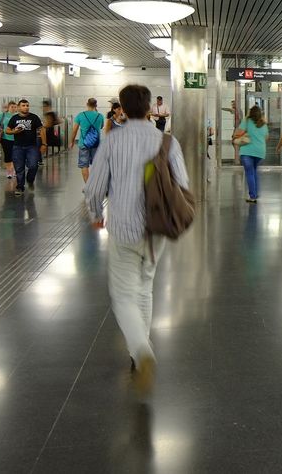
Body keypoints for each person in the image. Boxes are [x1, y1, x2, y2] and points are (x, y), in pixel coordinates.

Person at [84, 84, 189, 397]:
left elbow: (94, 187)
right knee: (145, 286)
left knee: (123, 295)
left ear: (122, 110)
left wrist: (95, 215)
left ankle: (141, 351)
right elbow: (182, 184)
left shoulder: (112, 141)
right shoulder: (167, 141)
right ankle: (139, 348)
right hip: (157, 229)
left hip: (124, 228)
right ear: (148, 109)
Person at [5, 99, 46, 197]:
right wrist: (14, 132)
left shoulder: (34, 117)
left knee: (33, 165)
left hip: (31, 146)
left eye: (27, 105)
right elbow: (7, 130)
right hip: (18, 146)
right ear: (19, 107)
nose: (26, 107)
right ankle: (20, 186)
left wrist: (44, 144)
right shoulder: (14, 118)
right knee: (19, 168)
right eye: (23, 105)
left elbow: (41, 129)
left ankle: (30, 180)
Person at [234, 105, 269, 203]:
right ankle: (255, 193)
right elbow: (266, 138)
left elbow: (238, 133)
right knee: (254, 172)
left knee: (249, 173)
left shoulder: (247, 121)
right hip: (260, 152)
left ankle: (252, 196)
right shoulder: (264, 124)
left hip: (247, 152)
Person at [70, 98, 106, 183]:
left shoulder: (81, 115)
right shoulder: (100, 116)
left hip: (83, 144)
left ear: (87, 104)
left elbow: (74, 130)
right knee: (96, 165)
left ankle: (88, 185)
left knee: (84, 165)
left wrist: (71, 142)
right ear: (96, 105)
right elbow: (101, 127)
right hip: (95, 144)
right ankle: (95, 184)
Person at [0, 101, 17, 179]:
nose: (13, 108)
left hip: (16, 138)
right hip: (5, 138)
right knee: (8, 154)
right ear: (8, 107)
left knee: (15, 155)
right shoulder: (3, 115)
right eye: (12, 107)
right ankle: (9, 171)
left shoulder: (17, 116)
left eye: (15, 107)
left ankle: (14, 170)